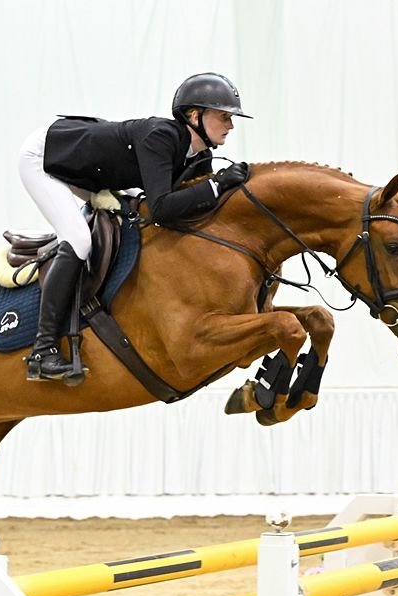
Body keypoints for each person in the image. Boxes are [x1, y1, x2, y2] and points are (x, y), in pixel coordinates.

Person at [17, 72, 253, 383]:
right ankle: (42, 350)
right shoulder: (162, 136)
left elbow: (191, 207)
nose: (231, 125)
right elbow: (162, 208)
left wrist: (221, 189)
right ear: (195, 116)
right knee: (78, 240)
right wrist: (217, 185)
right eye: (224, 117)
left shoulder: (199, 155)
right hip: (45, 158)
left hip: (94, 169)